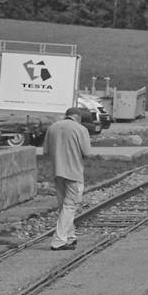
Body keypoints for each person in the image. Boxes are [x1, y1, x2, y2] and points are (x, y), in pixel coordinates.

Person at [42, 107, 92, 251]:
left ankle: (70, 236)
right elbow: (87, 153)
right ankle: (58, 240)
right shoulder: (80, 129)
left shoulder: (52, 127)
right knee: (70, 206)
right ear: (78, 117)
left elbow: (45, 151)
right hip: (74, 173)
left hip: (57, 172)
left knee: (63, 207)